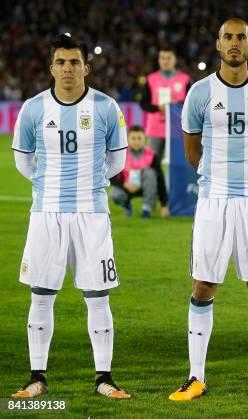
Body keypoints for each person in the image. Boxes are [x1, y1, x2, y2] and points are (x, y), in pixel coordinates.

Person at [168, 18, 248, 402]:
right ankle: (195, 377)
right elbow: (193, 151)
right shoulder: (200, 92)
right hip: (214, 201)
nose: (235, 43)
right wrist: (218, 180)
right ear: (218, 45)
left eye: (242, 37)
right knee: (204, 284)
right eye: (228, 37)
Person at [11, 34, 130, 399]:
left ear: (86, 68)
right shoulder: (33, 108)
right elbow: (22, 160)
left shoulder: (107, 107)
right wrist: (51, 186)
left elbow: (118, 161)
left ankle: (104, 379)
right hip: (47, 213)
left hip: (91, 214)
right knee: (42, 294)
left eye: (74, 62)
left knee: (98, 296)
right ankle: (37, 378)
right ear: (51, 68)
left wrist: (88, 184)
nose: (67, 68)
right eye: (61, 62)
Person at [139, 46, 191, 161]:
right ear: (158, 60)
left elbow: (191, 104)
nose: (165, 61)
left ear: (175, 59)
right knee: (153, 164)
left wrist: (177, 105)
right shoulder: (151, 78)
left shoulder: (185, 79)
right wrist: (158, 107)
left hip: (178, 127)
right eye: (162, 58)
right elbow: (143, 103)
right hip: (156, 128)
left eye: (168, 58)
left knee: (179, 162)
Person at [110, 125, 169, 218]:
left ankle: (146, 209)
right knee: (115, 194)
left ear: (144, 139)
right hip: (127, 187)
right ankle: (127, 206)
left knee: (150, 173)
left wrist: (164, 205)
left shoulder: (152, 155)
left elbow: (161, 179)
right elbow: (112, 176)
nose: (137, 141)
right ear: (128, 139)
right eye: (133, 138)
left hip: (146, 187)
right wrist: (124, 184)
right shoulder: (121, 154)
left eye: (139, 138)